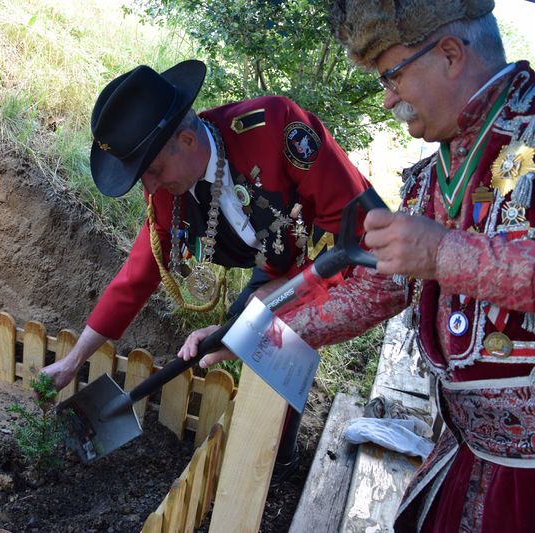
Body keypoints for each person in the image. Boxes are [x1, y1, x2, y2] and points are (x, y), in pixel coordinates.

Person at [180, 1, 535, 530]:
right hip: (471, 454)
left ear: (450, 55)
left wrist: (442, 255)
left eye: (392, 75)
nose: (388, 97)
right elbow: (376, 291)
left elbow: (441, 259)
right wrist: (248, 336)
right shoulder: (443, 166)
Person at [41, 59, 370, 485]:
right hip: (274, 263)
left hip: (348, 256)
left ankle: (280, 468)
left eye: (154, 171)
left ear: (187, 139)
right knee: (252, 330)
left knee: (275, 345)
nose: (150, 189)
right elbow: (137, 277)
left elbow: (351, 229)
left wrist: (272, 301)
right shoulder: (166, 194)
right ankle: (272, 452)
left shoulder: (275, 128)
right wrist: (74, 359)